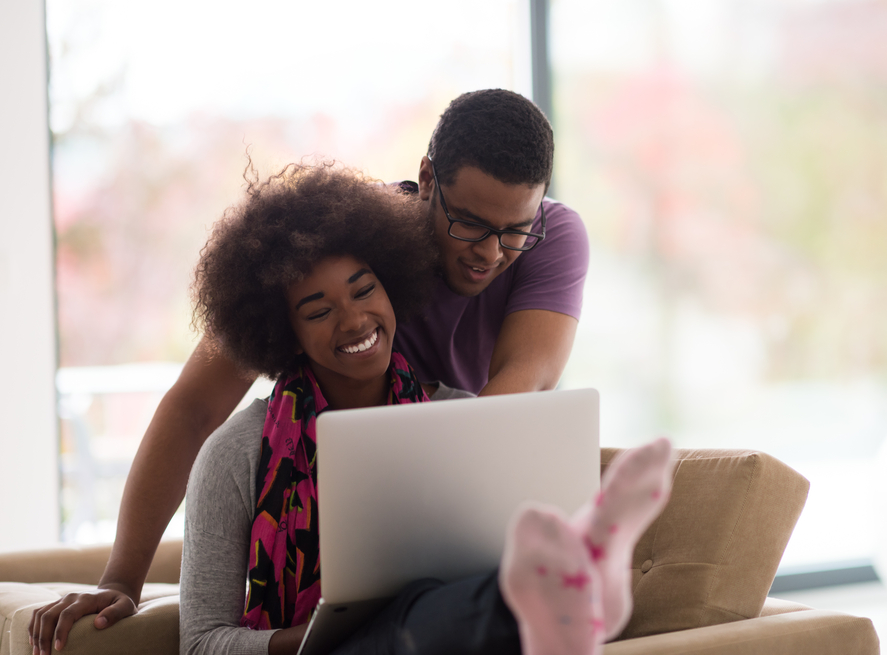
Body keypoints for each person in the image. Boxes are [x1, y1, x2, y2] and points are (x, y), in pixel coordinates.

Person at [28, 89, 590, 654]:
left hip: (440, 491)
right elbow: (196, 407)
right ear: (426, 179)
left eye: (514, 229)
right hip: (324, 498)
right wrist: (121, 579)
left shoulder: (550, 239)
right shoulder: (340, 246)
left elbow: (527, 386)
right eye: (469, 223)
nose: (490, 253)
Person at [164, 162, 666, 654]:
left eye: (365, 290)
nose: (355, 320)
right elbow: (203, 643)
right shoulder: (235, 454)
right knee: (413, 617)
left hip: (449, 635)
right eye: (319, 312)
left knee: (443, 604)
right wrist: (317, 637)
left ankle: (568, 584)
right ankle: (571, 588)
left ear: (394, 288)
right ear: (285, 335)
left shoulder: (459, 417)